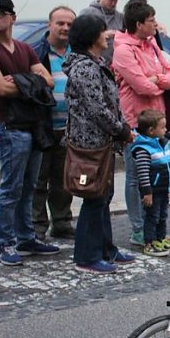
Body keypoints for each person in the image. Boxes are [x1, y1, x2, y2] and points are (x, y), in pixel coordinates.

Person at [0, 0, 60, 266]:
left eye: (0, 12)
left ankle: (26, 237)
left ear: (12, 17)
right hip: (10, 126)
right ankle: (4, 242)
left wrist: (22, 82)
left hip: (33, 126)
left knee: (30, 187)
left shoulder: (24, 48)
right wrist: (31, 82)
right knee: (11, 188)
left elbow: (47, 80)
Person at [63, 15, 135, 273]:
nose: (108, 35)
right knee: (94, 199)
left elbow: (111, 104)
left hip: (103, 142)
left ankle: (106, 249)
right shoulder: (85, 69)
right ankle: (86, 256)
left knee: (104, 197)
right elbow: (98, 110)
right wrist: (122, 130)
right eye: (103, 31)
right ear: (92, 37)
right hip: (90, 144)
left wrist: (122, 127)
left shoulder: (96, 63)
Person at [111, 0, 170, 247]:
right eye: (151, 21)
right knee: (136, 176)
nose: (156, 25)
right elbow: (142, 86)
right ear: (139, 24)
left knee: (158, 173)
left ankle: (156, 225)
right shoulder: (123, 50)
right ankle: (138, 227)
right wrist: (158, 81)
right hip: (135, 122)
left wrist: (157, 78)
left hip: (157, 119)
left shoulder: (151, 44)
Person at [31, 6, 76, 240]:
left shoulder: (76, 52)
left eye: (69, 24)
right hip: (42, 126)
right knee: (39, 180)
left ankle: (62, 222)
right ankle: (37, 227)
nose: (65, 28)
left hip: (68, 127)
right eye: (60, 23)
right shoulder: (36, 52)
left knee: (63, 180)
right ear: (50, 24)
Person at [131, 109, 170, 256]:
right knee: (152, 217)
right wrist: (147, 192)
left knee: (163, 215)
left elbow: (169, 166)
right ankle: (149, 242)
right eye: (162, 127)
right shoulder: (143, 149)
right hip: (153, 191)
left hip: (163, 188)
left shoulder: (163, 144)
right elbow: (143, 174)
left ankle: (161, 238)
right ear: (151, 130)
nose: (166, 129)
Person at [78, 0, 124, 65]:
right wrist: (102, 34)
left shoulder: (120, 17)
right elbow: (79, 37)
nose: (113, 3)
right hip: (91, 63)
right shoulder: (87, 13)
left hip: (114, 65)